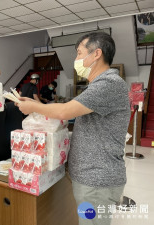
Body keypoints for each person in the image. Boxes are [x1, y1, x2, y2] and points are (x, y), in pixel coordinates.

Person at [17, 32, 130, 225]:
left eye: (79, 53)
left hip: (97, 180)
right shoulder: (99, 85)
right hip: (90, 177)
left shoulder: (108, 83)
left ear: (96, 54)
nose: (76, 59)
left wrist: (33, 107)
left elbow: (66, 111)